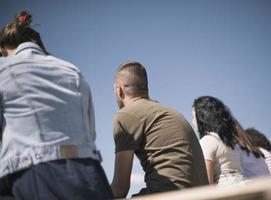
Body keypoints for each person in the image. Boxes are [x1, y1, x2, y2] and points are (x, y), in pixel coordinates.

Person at [0, 11, 113, 199]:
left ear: (2, 50)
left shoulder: (4, 68)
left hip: (34, 175)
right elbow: (91, 133)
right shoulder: (72, 70)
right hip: (91, 174)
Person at [111, 61, 208, 198]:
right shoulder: (170, 112)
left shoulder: (125, 115)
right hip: (204, 196)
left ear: (119, 90)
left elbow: (120, 189)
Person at [192, 96, 256, 186]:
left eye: (193, 117)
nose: (192, 122)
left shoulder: (207, 141)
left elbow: (206, 183)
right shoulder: (230, 142)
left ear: (202, 117)